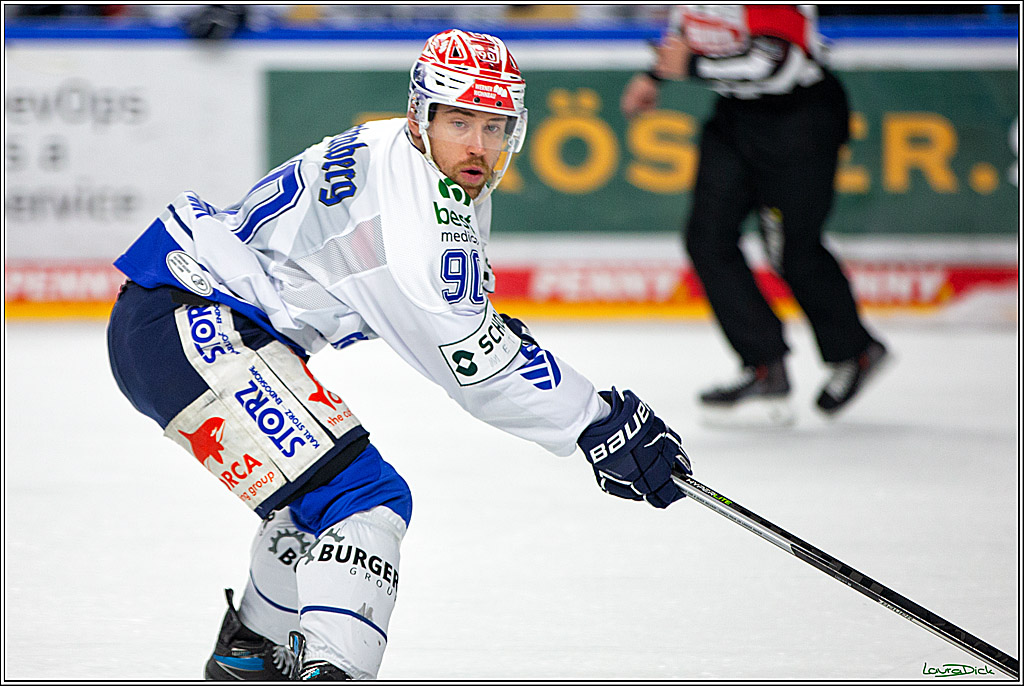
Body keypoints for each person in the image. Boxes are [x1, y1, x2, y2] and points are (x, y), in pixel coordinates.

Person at [106, 29, 692, 681]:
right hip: (196, 326)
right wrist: (598, 422)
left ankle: (252, 651)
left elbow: (435, 311)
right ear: (422, 116)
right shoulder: (425, 219)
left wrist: (480, 328)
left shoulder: (397, 147)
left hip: (171, 316)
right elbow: (478, 367)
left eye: (495, 126)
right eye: (460, 120)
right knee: (364, 499)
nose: (479, 145)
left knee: (319, 497)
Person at [621, 4, 889, 427]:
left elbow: (779, 66)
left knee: (792, 251)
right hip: (737, 115)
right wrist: (654, 75)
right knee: (706, 238)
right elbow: (687, 27)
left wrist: (689, 65)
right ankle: (764, 365)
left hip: (799, 120)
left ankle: (854, 349)